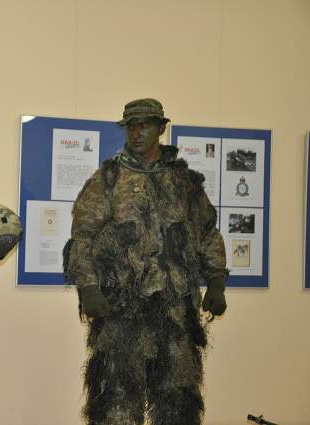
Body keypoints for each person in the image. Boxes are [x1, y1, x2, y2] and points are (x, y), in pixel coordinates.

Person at [63, 98, 227, 425]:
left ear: (161, 128)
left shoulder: (184, 183)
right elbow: (83, 238)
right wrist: (90, 288)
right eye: (131, 127)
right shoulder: (107, 181)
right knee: (117, 403)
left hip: (175, 312)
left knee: (178, 403)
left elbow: (207, 231)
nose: (136, 133)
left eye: (144, 126)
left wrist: (216, 281)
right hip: (121, 312)